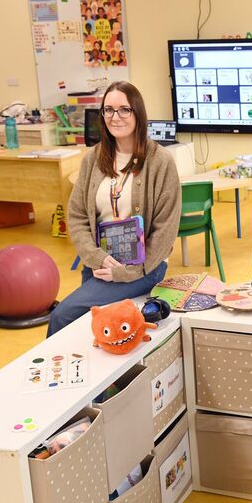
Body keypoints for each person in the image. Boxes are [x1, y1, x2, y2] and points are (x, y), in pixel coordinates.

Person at [46, 81, 181, 337]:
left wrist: (126, 272)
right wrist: (96, 257)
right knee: (91, 330)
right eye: (108, 110)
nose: (115, 117)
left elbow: (166, 229)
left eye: (124, 110)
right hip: (99, 262)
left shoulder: (160, 161)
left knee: (63, 315)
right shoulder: (93, 158)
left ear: (137, 113)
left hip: (143, 267)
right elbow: (76, 216)